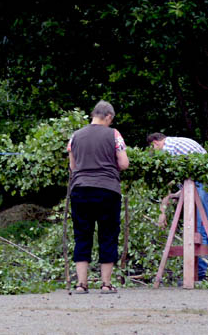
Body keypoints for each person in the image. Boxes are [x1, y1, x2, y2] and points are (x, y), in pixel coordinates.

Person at [67, 100, 130, 294]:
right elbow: (124, 163)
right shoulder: (114, 134)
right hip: (107, 190)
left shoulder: (75, 136)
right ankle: (106, 284)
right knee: (108, 234)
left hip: (80, 190)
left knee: (82, 234)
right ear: (108, 116)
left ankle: (81, 284)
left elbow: (73, 166)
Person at [150, 133, 208, 282]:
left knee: (199, 230)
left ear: (156, 143)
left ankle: (198, 275)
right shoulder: (180, 143)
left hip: (203, 186)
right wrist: (174, 196)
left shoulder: (168, 149)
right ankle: (205, 270)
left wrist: (162, 211)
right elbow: (187, 183)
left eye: (153, 148)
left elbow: (167, 183)